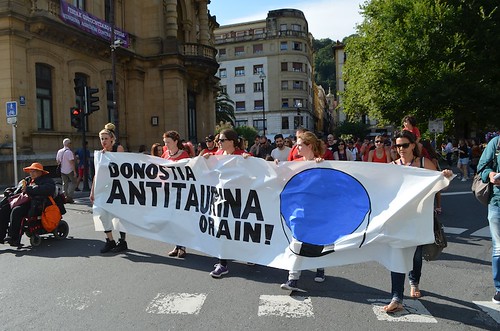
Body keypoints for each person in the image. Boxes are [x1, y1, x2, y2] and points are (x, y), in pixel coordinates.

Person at [383, 130, 453, 313]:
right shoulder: (392, 166)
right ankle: (396, 297)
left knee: (415, 254)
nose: (401, 149)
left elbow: (440, 185)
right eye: (398, 146)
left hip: (419, 217)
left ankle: (414, 282)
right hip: (399, 218)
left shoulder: (424, 163)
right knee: (397, 254)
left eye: (405, 145)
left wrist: (445, 176)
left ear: (413, 145)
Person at [279, 131, 327, 290]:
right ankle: (293, 278)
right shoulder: (296, 163)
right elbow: (284, 178)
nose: (296, 148)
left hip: (318, 210)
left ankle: (320, 267)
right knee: (296, 241)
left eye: (299, 145)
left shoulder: (322, 163)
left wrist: (321, 165)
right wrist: (279, 166)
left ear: (310, 146)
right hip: (299, 210)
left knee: (318, 241)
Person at [202, 129, 251, 278]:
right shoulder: (216, 156)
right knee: (220, 228)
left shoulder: (242, 156)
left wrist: (249, 161)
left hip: (239, 198)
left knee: (240, 228)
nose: (219, 143)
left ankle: (252, 254)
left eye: (222, 140)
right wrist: (206, 160)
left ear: (232, 141)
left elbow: (255, 173)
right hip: (220, 198)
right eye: (218, 141)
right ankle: (223, 263)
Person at [90, 124, 128, 253]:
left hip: (118, 188)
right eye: (101, 139)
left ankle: (122, 241)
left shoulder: (118, 149)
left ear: (112, 139)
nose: (103, 141)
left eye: (105, 138)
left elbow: (121, 168)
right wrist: (92, 190)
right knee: (101, 213)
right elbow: (97, 174)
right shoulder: (100, 155)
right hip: (105, 189)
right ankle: (110, 240)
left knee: (119, 215)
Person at [1, 162, 55, 247]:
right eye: (31, 171)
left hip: (35, 204)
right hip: (23, 201)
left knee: (16, 211)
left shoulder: (47, 181)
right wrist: (11, 191)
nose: (31, 173)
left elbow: (48, 189)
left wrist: (29, 189)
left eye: (34, 171)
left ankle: (13, 238)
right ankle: (1, 236)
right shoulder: (27, 180)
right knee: (4, 209)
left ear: (40, 172)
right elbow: (18, 189)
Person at [476, 134, 500, 304]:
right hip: (497, 203)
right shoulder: (496, 143)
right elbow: (481, 168)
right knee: (499, 248)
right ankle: (499, 288)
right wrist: (491, 175)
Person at [162, 131, 191, 258]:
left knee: (181, 219)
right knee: (172, 220)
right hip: (169, 192)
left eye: (168, 142)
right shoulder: (165, 154)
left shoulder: (184, 155)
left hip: (181, 191)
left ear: (175, 142)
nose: (166, 144)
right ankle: (176, 245)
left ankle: (183, 246)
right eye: (165, 142)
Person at [56, 138, 77, 203]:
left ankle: (65, 196)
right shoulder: (69, 152)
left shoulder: (59, 151)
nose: (70, 144)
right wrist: (74, 171)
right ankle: (69, 196)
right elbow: (72, 162)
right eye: (70, 143)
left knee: (64, 183)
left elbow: (58, 161)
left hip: (62, 170)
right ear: (68, 144)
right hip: (69, 170)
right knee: (74, 182)